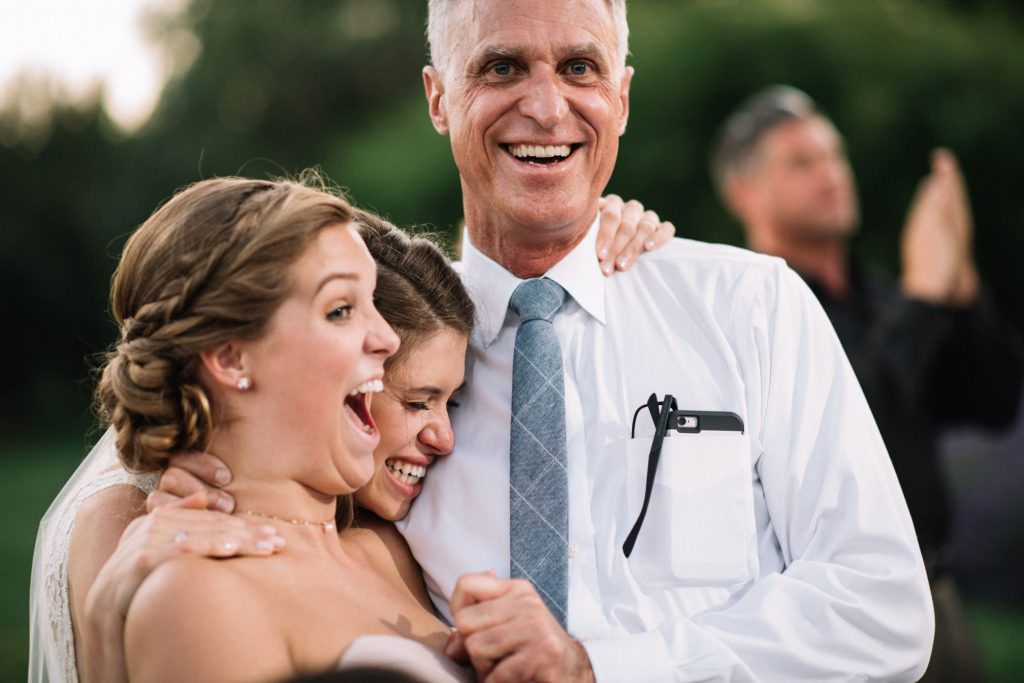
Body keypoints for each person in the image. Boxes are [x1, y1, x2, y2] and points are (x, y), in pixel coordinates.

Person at [166, 2, 933, 680]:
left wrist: (604, 668)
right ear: (439, 97)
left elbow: (883, 604)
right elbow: (224, 397)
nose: (546, 105)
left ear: (621, 98)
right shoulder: (377, 352)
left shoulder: (751, 306)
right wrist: (147, 502)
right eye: (502, 66)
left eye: (579, 68)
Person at [28, 173, 672, 680]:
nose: (386, 336)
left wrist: (588, 232)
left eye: (370, 302)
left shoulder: (387, 546)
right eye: (341, 309)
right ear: (229, 357)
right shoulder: (199, 595)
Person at [712, 85, 1024, 682]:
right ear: (744, 193)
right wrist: (927, 298)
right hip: (830, 622)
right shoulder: (749, 316)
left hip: (937, 599)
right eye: (802, 162)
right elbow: (857, 424)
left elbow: (995, 400)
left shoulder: (886, 301)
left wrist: (961, 289)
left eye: (834, 156)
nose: (830, 175)